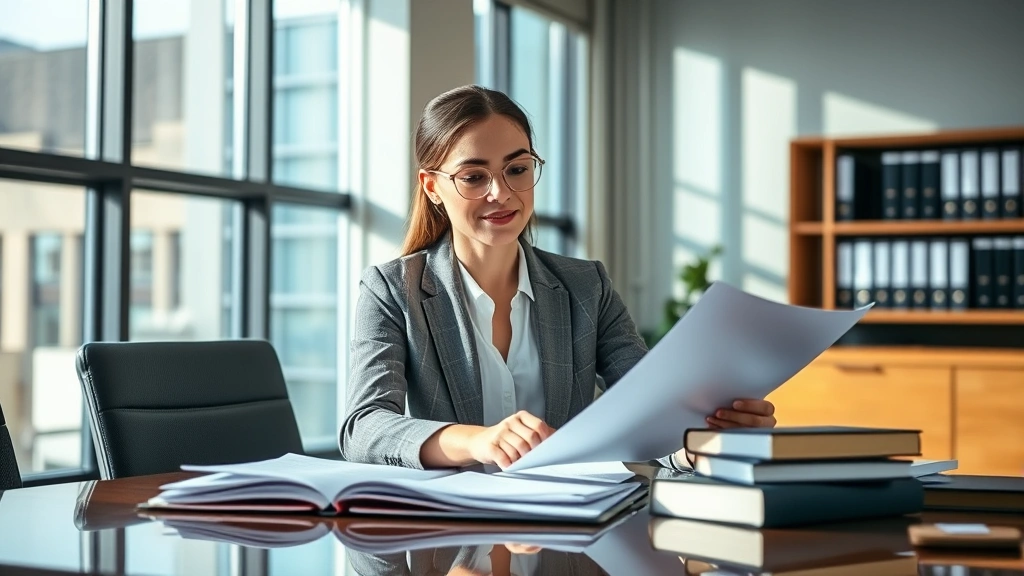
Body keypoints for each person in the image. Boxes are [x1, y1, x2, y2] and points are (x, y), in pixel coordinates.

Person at [339, 85, 776, 471]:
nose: (501, 193)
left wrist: (698, 443)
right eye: (474, 177)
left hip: (565, 536)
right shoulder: (393, 290)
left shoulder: (587, 287)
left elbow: (649, 406)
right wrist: (479, 440)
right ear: (432, 187)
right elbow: (363, 427)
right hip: (450, 548)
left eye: (517, 168)